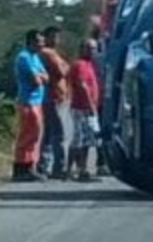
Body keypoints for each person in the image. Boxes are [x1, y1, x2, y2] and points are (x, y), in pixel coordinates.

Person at [37, 24, 73, 181]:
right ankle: (58, 167)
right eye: (54, 36)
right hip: (52, 97)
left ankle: (44, 166)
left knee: (49, 134)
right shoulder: (47, 53)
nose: (57, 39)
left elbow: (65, 68)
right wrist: (64, 66)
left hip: (56, 97)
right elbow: (63, 71)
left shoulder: (52, 53)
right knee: (57, 134)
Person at [11, 30, 48, 182]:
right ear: (31, 42)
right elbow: (37, 81)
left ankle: (31, 166)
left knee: (35, 136)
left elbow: (46, 77)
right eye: (39, 41)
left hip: (37, 102)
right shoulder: (24, 57)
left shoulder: (36, 58)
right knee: (26, 135)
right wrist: (40, 77)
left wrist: (41, 76)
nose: (42, 44)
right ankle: (21, 168)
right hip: (27, 102)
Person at [70, 39, 103, 182]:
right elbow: (82, 86)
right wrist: (90, 106)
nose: (92, 51)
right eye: (89, 48)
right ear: (82, 49)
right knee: (80, 140)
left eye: (95, 48)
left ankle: (81, 168)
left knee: (88, 140)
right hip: (81, 108)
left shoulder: (90, 65)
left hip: (88, 107)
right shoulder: (80, 65)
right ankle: (75, 169)